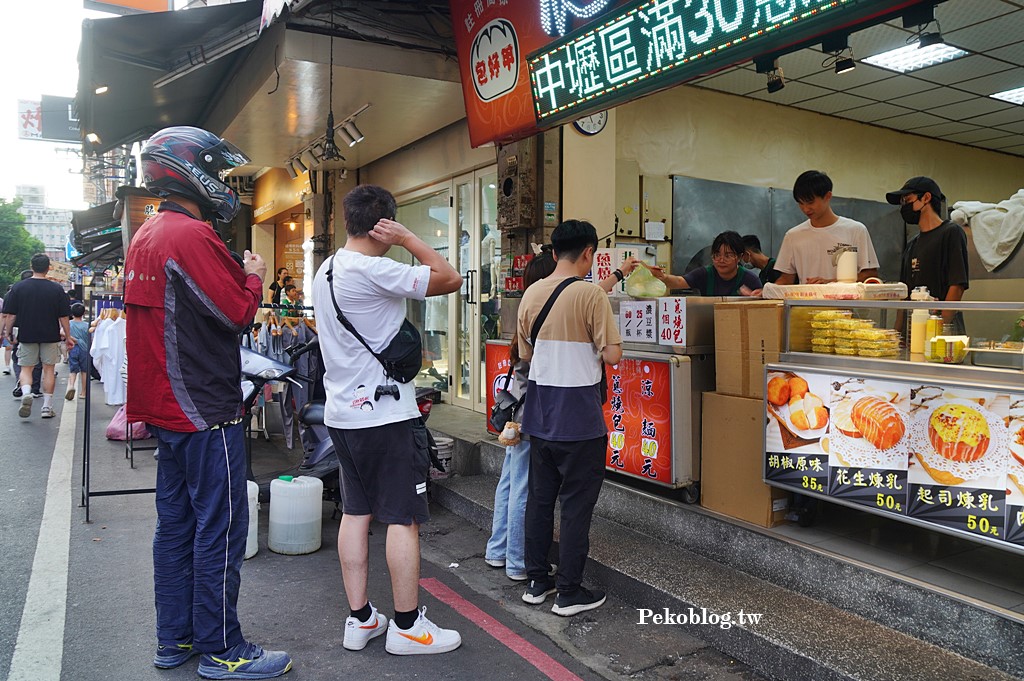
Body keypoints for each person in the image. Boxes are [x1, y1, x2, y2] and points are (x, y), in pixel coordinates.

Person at [123, 126, 292, 679]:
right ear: (189, 171)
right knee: (219, 528)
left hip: (166, 408)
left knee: (174, 528)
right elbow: (237, 313)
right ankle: (224, 647)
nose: (221, 183)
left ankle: (174, 639)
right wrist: (255, 274)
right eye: (216, 172)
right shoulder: (190, 237)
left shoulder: (148, 233)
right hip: (204, 408)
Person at [311, 184, 464, 655]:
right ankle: (407, 627)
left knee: (356, 512)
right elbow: (450, 278)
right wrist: (410, 239)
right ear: (384, 224)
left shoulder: (327, 268)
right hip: (384, 416)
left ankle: (360, 620)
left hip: (341, 413)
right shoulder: (376, 268)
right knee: (402, 518)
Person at [485, 251, 638, 582]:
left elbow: (594, 290)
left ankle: (498, 550)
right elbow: (596, 310)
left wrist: (619, 272)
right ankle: (517, 561)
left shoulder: (530, 310)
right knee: (525, 491)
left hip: (518, 413)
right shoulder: (557, 307)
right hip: (535, 418)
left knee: (510, 482)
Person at [516, 219, 622, 617]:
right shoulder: (591, 294)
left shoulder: (531, 293)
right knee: (576, 506)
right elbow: (612, 354)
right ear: (589, 253)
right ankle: (569, 591)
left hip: (540, 413)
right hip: (579, 416)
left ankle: (536, 582)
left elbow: (525, 357)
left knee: (540, 501)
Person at [886, 176, 969, 334]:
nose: (904, 206)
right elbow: (904, 295)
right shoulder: (912, 244)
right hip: (914, 332)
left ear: (926, 198)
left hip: (943, 332)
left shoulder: (951, 233)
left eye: (907, 199)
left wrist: (940, 327)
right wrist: (898, 334)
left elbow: (957, 286)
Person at [0, 254, 73, 419]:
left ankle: (26, 392)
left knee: (26, 368)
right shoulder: (56, 289)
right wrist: (68, 336)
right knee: (49, 369)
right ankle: (47, 407)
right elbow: (63, 317)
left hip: (27, 335)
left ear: (31, 266)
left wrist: (7, 333)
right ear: (48, 268)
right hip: (50, 335)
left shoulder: (18, 288)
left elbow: (10, 315)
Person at [774, 170, 879, 284]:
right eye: (800, 203)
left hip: (846, 301)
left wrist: (830, 283)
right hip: (805, 302)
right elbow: (786, 279)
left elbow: (870, 275)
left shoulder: (856, 230)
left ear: (828, 196)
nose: (805, 209)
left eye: (810, 202)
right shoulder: (793, 236)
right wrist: (766, 291)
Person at [651, 231, 762, 296]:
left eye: (728, 256)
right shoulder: (705, 274)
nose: (721, 260)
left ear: (739, 257)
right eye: (717, 255)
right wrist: (663, 277)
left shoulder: (751, 280)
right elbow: (679, 281)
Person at [65, 302, 90, 400]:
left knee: (73, 370)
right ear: (83, 313)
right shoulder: (87, 325)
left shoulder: (69, 324)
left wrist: (72, 338)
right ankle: (83, 392)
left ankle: (71, 386)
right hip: (84, 349)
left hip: (73, 348)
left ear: (72, 313)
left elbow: (61, 332)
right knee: (84, 371)